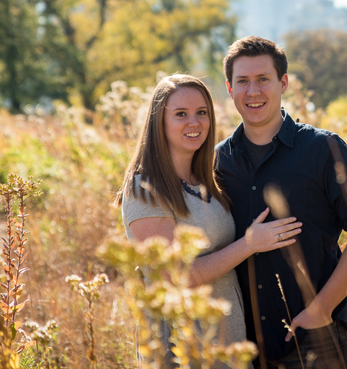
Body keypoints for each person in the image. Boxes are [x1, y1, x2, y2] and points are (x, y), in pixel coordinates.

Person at [215, 36, 347, 369]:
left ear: (284, 82)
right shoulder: (218, 161)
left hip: (316, 342)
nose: (253, 91)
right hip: (243, 350)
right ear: (230, 90)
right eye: (242, 82)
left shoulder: (323, 150)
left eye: (263, 79)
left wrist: (320, 310)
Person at [116, 74, 303, 369]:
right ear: (158, 122)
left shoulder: (208, 182)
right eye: (181, 114)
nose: (195, 122)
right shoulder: (145, 190)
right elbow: (174, 276)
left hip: (228, 340)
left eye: (202, 112)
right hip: (183, 346)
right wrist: (250, 244)